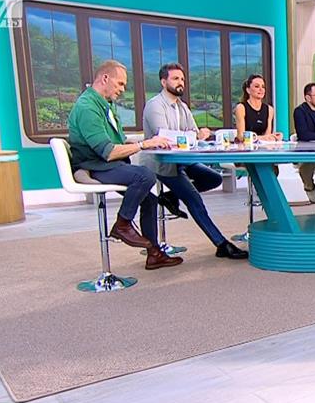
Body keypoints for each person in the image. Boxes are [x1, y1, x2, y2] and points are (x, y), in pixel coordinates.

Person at [67, 60, 182, 270]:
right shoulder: (87, 107)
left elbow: (116, 142)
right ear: (105, 78)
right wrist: (143, 144)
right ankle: (122, 224)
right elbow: (108, 152)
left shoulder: (105, 104)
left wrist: (148, 142)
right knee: (145, 175)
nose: (122, 89)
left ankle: (154, 254)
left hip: (107, 163)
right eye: (120, 84)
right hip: (95, 166)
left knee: (150, 201)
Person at [142, 63, 248, 260]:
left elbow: (193, 132)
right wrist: (192, 135)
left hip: (182, 160)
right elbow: (163, 137)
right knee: (193, 198)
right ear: (163, 82)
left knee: (214, 178)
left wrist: (196, 135)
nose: (180, 82)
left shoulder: (182, 107)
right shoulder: (155, 105)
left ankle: (171, 196)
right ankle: (221, 244)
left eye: (182, 79)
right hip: (161, 163)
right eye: (175, 79)